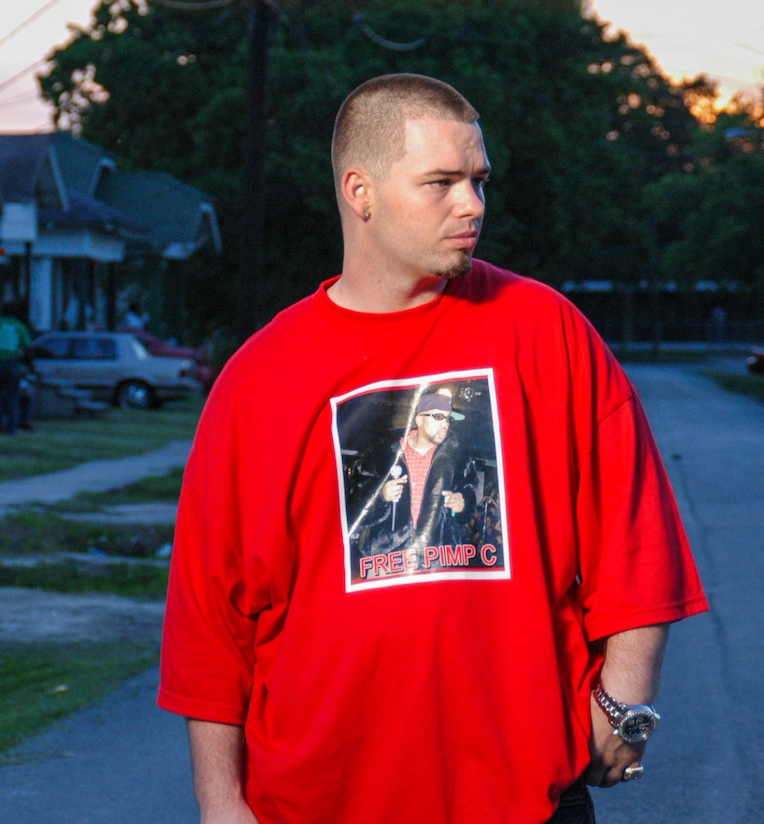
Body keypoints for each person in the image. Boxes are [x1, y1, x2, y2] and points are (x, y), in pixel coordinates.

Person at [159, 74, 708, 824]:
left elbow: (634, 534)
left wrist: (627, 703)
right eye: (442, 182)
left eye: (480, 181)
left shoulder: (544, 330)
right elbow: (210, 616)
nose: (472, 205)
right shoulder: (262, 376)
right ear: (361, 190)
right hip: (319, 800)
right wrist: (219, 799)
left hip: (523, 800)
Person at [345, 389, 479, 576]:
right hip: (387, 557)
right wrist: (381, 495)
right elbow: (355, 504)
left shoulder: (458, 457)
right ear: (419, 420)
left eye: (448, 419)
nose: (445, 425)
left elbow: (470, 493)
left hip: (437, 559)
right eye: (438, 417)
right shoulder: (382, 453)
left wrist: (463, 502)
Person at [0, 302, 32, 435]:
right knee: (13, 396)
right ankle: (11, 428)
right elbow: (27, 348)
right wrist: (31, 366)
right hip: (13, 363)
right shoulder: (19, 326)